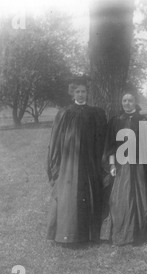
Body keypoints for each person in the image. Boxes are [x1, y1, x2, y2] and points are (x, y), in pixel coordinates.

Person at [46, 77, 108, 244]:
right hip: (70, 163)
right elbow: (56, 140)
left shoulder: (95, 113)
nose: (81, 95)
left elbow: (101, 139)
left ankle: (87, 234)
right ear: (72, 93)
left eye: (83, 91)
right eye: (77, 91)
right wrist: (55, 164)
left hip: (89, 161)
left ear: (87, 93)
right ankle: (68, 234)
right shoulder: (64, 113)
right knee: (69, 195)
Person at [100, 91, 147, 245]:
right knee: (120, 199)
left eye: (130, 100)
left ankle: (139, 233)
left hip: (139, 165)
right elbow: (110, 145)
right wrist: (111, 164)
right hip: (121, 165)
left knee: (140, 198)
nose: (127, 103)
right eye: (124, 101)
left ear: (135, 102)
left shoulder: (145, 122)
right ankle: (121, 233)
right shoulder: (115, 122)